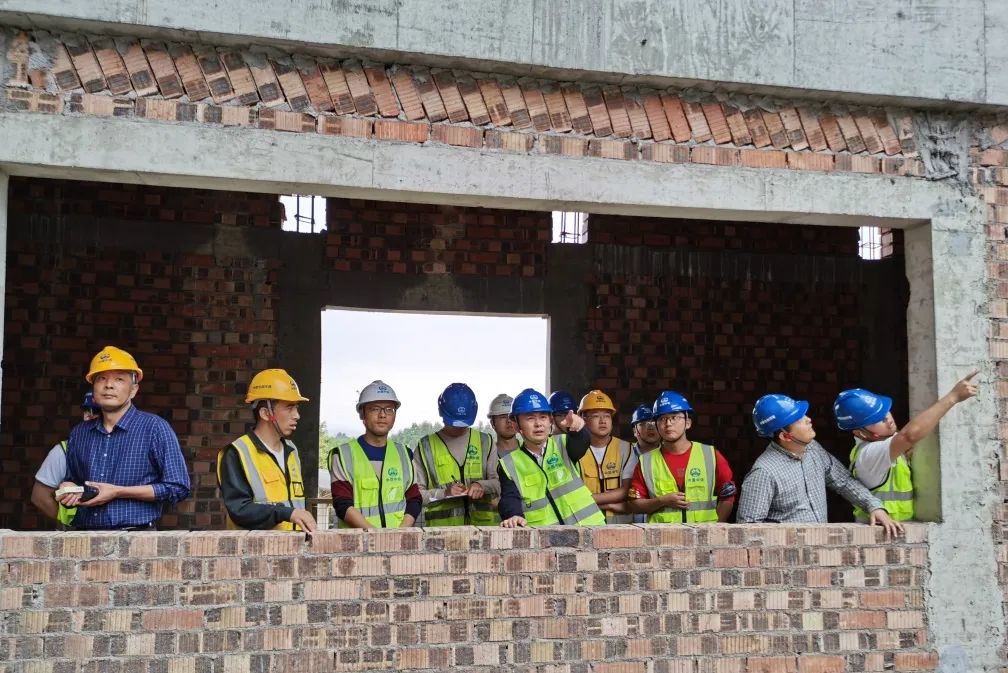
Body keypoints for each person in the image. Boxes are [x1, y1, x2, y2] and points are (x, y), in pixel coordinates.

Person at [57, 346, 191, 530]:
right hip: (85, 536)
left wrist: (118, 492)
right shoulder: (80, 433)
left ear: (134, 389)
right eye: (101, 378)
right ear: (93, 387)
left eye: (119, 379)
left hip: (137, 536)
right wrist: (68, 488)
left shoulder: (154, 428)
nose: (109, 385)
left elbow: (178, 487)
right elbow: (74, 480)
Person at [737, 393, 902, 538]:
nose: (808, 419)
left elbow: (843, 481)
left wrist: (874, 506)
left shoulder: (813, 449)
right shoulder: (764, 472)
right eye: (798, 419)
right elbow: (749, 530)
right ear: (785, 436)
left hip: (819, 551)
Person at [833, 370, 979, 522]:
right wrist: (953, 397)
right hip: (878, 532)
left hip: (898, 529)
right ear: (860, 433)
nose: (887, 418)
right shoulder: (869, 454)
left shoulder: (885, 442)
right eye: (876, 419)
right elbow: (909, 436)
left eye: (884, 410)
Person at [216, 368, 317, 535]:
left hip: (293, 547)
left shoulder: (292, 451)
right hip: (254, 549)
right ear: (265, 413)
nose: (297, 415)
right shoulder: (236, 453)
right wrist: (287, 513)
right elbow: (239, 510)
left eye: (296, 408)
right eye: (289, 408)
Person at [497, 388, 605, 528]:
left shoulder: (564, 444)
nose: (538, 424)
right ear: (516, 425)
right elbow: (509, 498)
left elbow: (582, 442)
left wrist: (579, 429)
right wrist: (513, 515)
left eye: (543, 417)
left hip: (591, 530)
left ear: (550, 421)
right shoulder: (508, 464)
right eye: (530, 418)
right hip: (548, 537)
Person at [626, 391, 736, 523]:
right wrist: (662, 501)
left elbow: (728, 496)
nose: (668, 423)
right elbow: (635, 504)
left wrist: (716, 529)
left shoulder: (710, 455)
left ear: (688, 422)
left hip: (703, 535)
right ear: (657, 425)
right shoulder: (646, 462)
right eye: (662, 419)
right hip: (663, 535)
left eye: (674, 417)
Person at [329, 380, 422, 528]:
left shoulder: (405, 454)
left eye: (389, 409)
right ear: (362, 414)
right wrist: (376, 536)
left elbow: (414, 499)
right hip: (358, 541)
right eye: (374, 409)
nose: (382, 415)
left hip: (397, 540)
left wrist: (401, 533)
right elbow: (342, 504)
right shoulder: (342, 455)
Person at [413, 383, 500, 526]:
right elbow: (416, 495)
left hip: (483, 530)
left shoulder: (486, 442)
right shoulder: (425, 447)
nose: (459, 428)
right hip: (441, 533)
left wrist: (481, 485)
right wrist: (444, 493)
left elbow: (499, 484)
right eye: (454, 423)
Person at [31, 392, 102, 526]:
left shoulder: (130, 447)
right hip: (77, 532)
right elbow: (40, 497)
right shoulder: (64, 450)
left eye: (97, 411)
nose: (90, 415)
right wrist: (66, 527)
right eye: (86, 410)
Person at [576, 390, 636, 523]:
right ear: (583, 419)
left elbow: (625, 491)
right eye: (596, 416)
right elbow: (572, 495)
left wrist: (588, 500)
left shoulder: (626, 449)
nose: (603, 421)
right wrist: (609, 502)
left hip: (621, 528)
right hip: (586, 524)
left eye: (607, 416)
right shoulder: (574, 450)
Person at [628, 403, 661, 523]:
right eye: (643, 423)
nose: (650, 427)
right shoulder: (624, 454)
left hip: (659, 523)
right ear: (634, 430)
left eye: (654, 422)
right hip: (628, 523)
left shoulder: (670, 455)